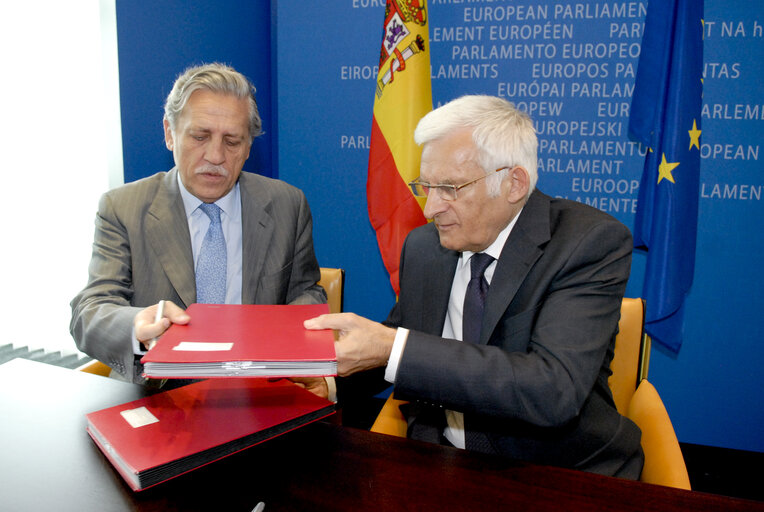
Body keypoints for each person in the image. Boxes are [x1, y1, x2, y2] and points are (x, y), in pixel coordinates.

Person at [305, 95, 644, 478]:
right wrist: (328, 385)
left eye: (449, 188)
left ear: (514, 183)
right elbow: (400, 345)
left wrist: (392, 346)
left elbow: (553, 390)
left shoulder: (587, 243)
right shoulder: (424, 247)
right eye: (425, 186)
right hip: (441, 461)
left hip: (556, 472)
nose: (431, 208)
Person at [71, 63, 326, 384]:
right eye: (200, 136)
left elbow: (305, 293)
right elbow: (91, 309)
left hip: (258, 390)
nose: (216, 155)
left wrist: (286, 345)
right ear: (169, 133)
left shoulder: (287, 204)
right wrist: (136, 324)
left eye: (232, 141)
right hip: (159, 397)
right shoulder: (122, 208)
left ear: (248, 147)